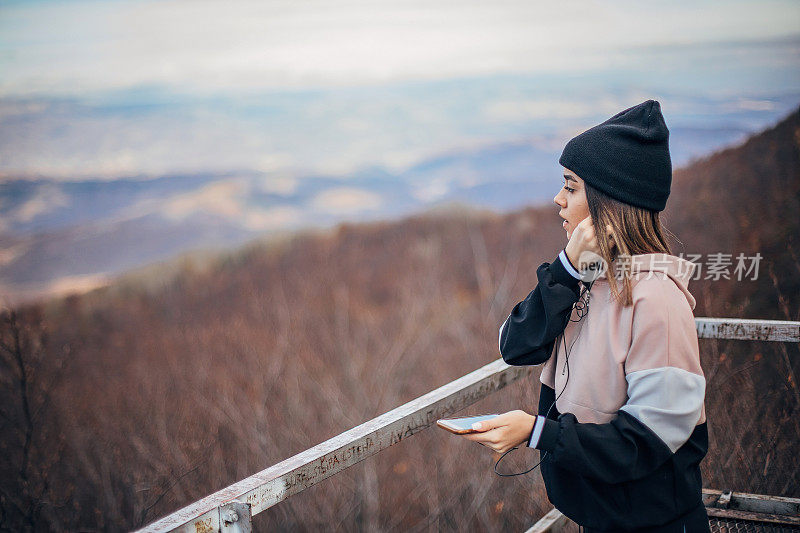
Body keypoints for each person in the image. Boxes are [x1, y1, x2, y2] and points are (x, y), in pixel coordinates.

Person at [460, 100, 710, 532]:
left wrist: (538, 432)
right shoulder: (586, 278)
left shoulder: (657, 302)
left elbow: (645, 443)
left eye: (571, 187)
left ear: (608, 202)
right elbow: (515, 346)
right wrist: (566, 270)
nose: (558, 200)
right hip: (604, 518)